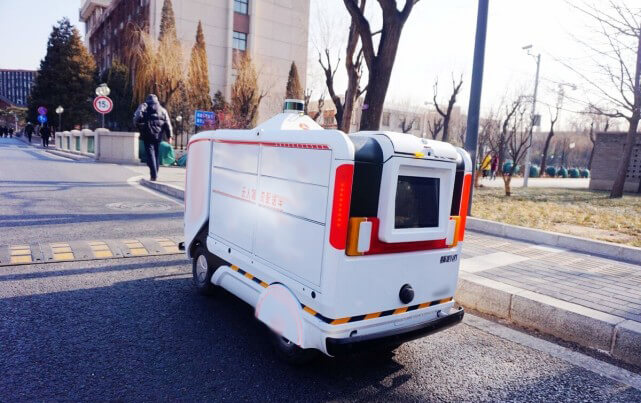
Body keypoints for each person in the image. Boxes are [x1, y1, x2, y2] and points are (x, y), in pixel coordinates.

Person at [133, 94, 173, 181]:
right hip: (158, 135)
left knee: (150, 154)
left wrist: (138, 125)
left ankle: (153, 174)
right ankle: (155, 173)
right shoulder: (163, 110)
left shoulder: (145, 106)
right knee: (156, 154)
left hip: (147, 134)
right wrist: (170, 136)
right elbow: (168, 124)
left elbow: (137, 117)